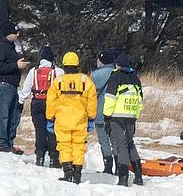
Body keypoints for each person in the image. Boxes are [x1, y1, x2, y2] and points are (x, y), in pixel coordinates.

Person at [46, 51, 98, 184]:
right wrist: (91, 117)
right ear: (77, 64)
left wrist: (50, 118)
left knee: (64, 145)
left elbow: (51, 101)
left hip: (62, 121)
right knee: (79, 146)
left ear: (64, 64)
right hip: (80, 120)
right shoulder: (85, 81)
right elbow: (92, 100)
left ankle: (68, 173)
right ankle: (77, 174)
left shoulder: (58, 81)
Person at [102, 53, 144, 187]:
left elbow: (110, 99)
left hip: (117, 117)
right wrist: (135, 116)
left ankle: (123, 178)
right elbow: (140, 102)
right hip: (131, 117)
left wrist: (106, 116)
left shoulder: (116, 77)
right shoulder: (136, 79)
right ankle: (139, 176)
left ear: (118, 64)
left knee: (121, 146)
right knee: (130, 144)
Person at [19, 45, 63, 167]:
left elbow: (25, 90)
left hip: (37, 103)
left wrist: (20, 102)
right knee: (53, 131)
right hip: (53, 104)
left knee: (40, 131)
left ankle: (40, 157)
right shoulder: (58, 71)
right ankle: (54, 158)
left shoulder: (34, 71)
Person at [0, 27, 30, 153]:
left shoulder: (11, 46)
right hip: (3, 84)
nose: (17, 34)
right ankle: (2, 143)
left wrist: (19, 65)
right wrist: (16, 65)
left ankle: (9, 142)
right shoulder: (0, 46)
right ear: (8, 33)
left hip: (12, 85)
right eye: (15, 32)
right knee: (4, 115)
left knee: (14, 116)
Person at [90, 49, 119, 173]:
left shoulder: (96, 75)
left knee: (104, 140)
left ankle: (108, 167)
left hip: (101, 112)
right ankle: (119, 167)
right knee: (115, 140)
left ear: (102, 60)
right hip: (116, 112)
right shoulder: (118, 73)